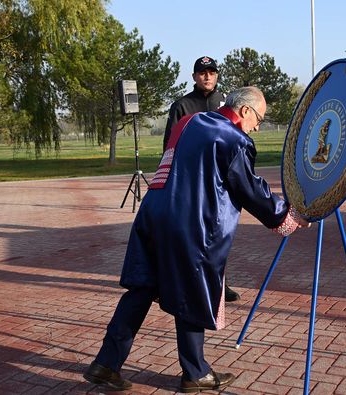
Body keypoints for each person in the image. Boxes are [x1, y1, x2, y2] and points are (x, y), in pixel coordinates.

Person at [84, 87, 309, 392]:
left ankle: (106, 363)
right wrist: (288, 215)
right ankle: (195, 372)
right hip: (189, 223)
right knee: (191, 292)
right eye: (258, 118)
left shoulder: (189, 122)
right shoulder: (234, 139)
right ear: (244, 111)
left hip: (153, 213)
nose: (257, 126)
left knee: (141, 289)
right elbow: (250, 189)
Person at [163, 56, 240, 302]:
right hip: (192, 183)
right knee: (189, 235)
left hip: (220, 182)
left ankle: (219, 285)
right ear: (194, 76)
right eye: (202, 72)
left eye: (211, 72)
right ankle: (184, 282)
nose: (207, 76)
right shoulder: (182, 106)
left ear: (217, 75)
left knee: (221, 233)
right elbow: (170, 146)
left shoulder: (227, 104)